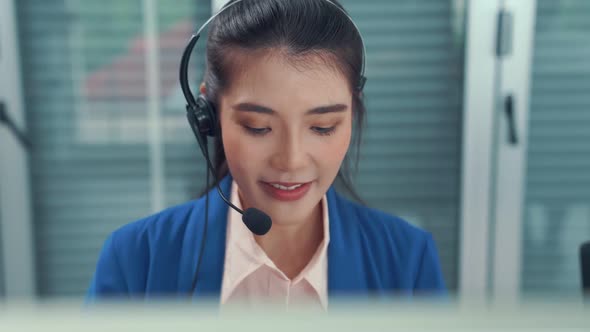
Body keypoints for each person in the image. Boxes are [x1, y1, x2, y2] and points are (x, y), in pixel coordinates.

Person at [86, 0, 446, 309]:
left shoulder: (407, 260)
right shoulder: (136, 259)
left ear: (352, 113)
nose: (291, 161)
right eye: (258, 127)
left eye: (322, 127)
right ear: (208, 117)